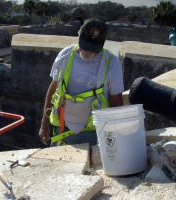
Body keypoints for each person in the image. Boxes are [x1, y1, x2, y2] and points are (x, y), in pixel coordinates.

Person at [39, 18, 124, 146]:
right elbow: (53, 90)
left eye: (93, 48)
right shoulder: (65, 55)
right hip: (62, 133)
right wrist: (44, 124)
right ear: (78, 36)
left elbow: (116, 103)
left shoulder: (111, 63)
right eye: (85, 45)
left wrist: (113, 140)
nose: (88, 51)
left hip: (94, 137)